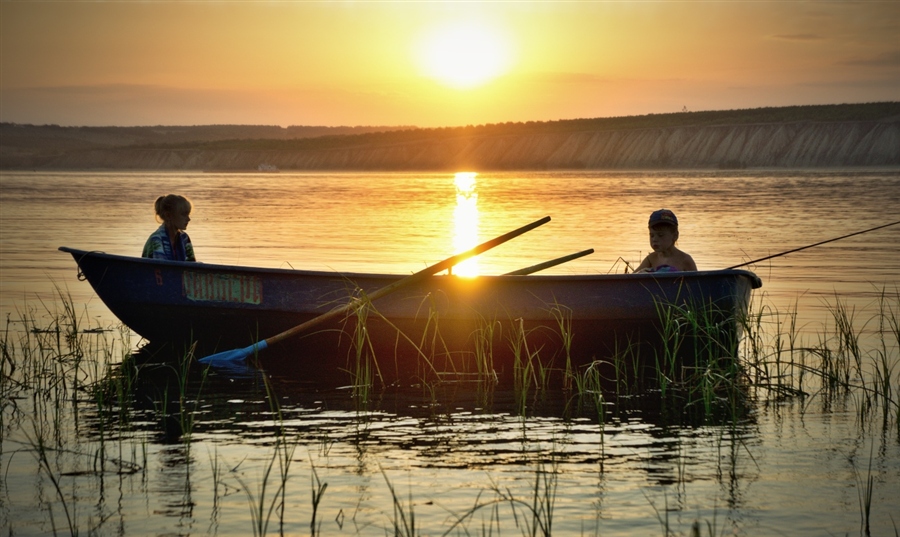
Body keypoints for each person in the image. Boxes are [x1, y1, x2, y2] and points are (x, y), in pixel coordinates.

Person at [634, 209, 697, 273]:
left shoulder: (685, 260)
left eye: (660, 235)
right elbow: (631, 279)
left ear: (675, 235)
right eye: (652, 235)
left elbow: (697, 281)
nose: (654, 239)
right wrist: (641, 272)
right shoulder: (651, 259)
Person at [142, 194, 197, 262]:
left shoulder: (184, 238)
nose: (188, 219)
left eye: (188, 214)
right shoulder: (156, 240)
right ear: (168, 215)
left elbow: (192, 266)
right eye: (183, 214)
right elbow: (161, 269)